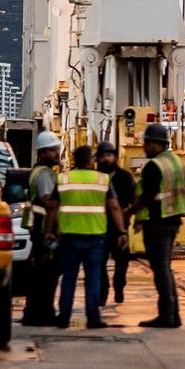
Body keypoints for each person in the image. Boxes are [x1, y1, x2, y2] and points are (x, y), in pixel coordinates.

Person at [54, 143, 118, 328]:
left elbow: (52, 207)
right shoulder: (103, 179)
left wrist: (51, 230)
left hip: (69, 236)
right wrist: (122, 231)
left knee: (68, 278)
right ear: (90, 160)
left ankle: (64, 316)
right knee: (93, 278)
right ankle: (93, 317)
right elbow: (114, 206)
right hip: (95, 236)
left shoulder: (63, 179)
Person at [137, 123, 185, 328]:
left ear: (154, 144)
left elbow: (147, 197)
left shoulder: (155, 166)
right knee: (165, 269)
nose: (143, 147)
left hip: (157, 222)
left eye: (146, 143)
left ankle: (167, 315)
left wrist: (129, 213)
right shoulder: (178, 162)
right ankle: (172, 314)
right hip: (174, 220)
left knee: (160, 270)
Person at [20, 132, 65, 328]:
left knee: (39, 273)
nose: (57, 153)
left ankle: (33, 312)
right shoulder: (45, 174)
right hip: (44, 231)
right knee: (47, 274)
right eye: (53, 150)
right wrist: (54, 230)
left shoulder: (37, 171)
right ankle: (44, 312)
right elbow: (49, 203)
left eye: (57, 148)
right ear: (42, 152)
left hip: (38, 230)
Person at [96, 141, 137, 308]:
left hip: (120, 227)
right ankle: (103, 292)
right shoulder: (96, 177)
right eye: (103, 156)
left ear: (114, 157)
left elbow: (133, 197)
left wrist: (128, 212)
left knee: (122, 260)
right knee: (99, 262)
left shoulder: (125, 177)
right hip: (100, 226)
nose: (106, 159)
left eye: (109, 155)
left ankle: (119, 287)